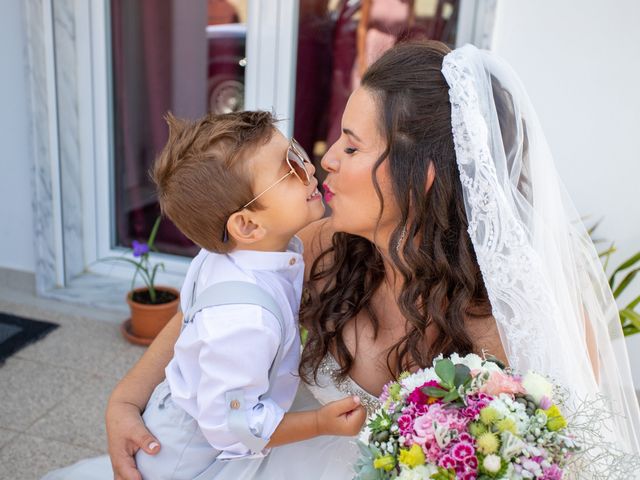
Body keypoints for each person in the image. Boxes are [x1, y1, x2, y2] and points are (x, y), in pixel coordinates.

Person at [45, 40, 640, 480]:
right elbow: (209, 310)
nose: (325, 160)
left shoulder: (515, 322)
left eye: (353, 146)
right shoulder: (321, 244)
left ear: (425, 176)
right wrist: (125, 401)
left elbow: (556, 459)